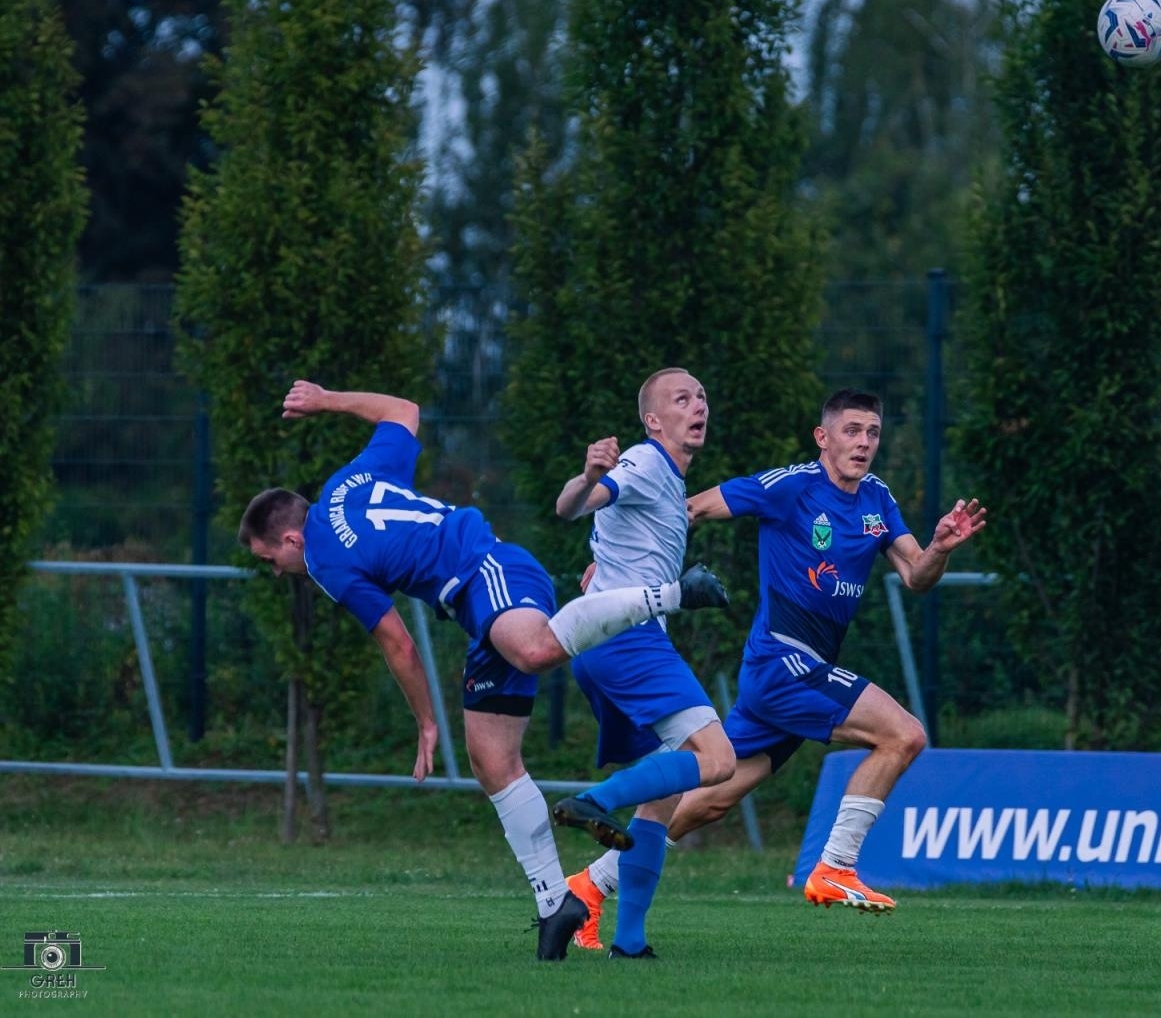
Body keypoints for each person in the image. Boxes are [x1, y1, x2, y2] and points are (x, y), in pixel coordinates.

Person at [236, 380, 729, 962]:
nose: (277, 571)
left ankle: (668, 594)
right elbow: (403, 408)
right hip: (478, 603)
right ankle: (556, 903)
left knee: (535, 651)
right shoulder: (349, 481)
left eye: (271, 561)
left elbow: (397, 644)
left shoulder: (322, 557)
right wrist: (325, 400)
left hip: (490, 572)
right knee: (492, 763)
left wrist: (425, 721)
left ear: (291, 538)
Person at [565, 388, 986, 948]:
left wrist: (939, 548)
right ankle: (835, 865)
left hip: (801, 671)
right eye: (852, 430)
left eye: (873, 433)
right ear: (823, 437)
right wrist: (615, 570)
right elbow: (687, 509)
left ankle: (587, 889)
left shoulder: (878, 499)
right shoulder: (790, 486)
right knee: (904, 735)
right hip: (782, 662)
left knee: (704, 803)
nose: (863, 443)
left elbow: (916, 577)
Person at [545, 367, 737, 960]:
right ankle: (597, 801)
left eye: (702, 395)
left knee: (662, 794)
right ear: (654, 420)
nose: (697, 404)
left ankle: (626, 939)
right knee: (718, 760)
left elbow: (607, 531)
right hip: (629, 642)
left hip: (606, 645)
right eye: (682, 398)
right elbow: (572, 506)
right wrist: (587, 478)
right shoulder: (647, 462)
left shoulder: (668, 483)